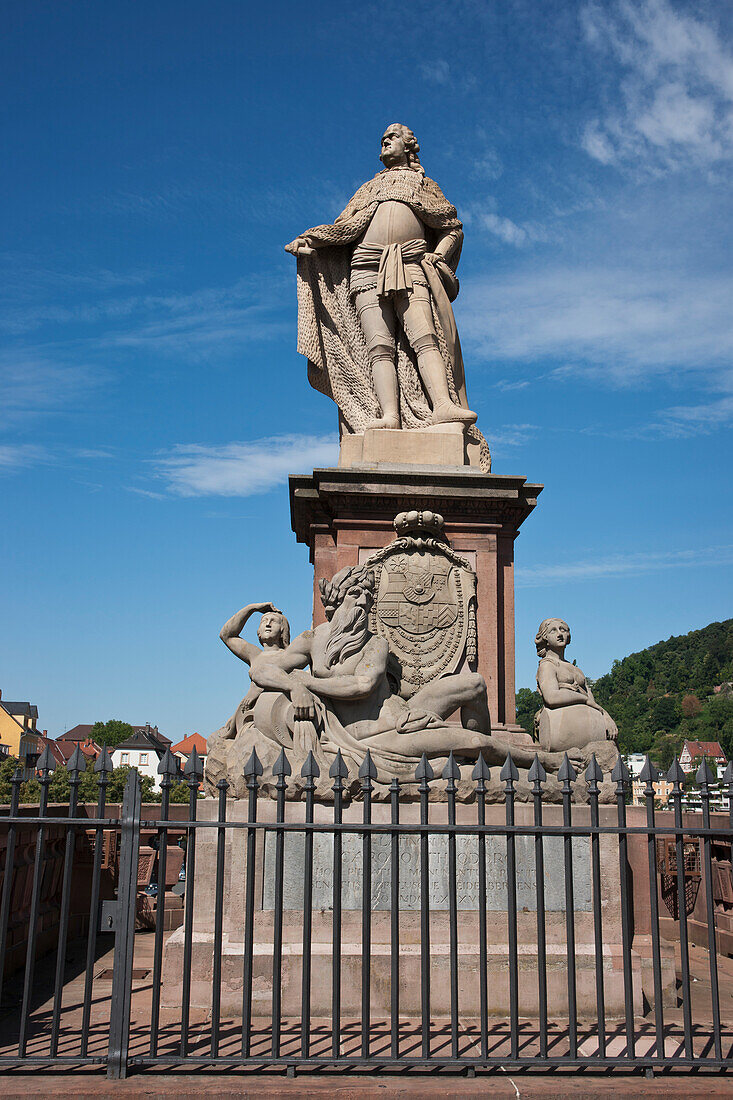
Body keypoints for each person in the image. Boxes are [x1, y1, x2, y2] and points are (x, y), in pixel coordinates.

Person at [244, 568, 582, 776]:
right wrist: (295, 686)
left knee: (475, 683)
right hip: (376, 734)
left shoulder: (375, 643)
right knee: (470, 740)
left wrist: (309, 683)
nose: (362, 602)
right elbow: (261, 669)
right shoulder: (311, 639)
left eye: (367, 596)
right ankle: (542, 763)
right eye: (354, 594)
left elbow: (363, 685)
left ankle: (475, 765)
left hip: (400, 715)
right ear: (336, 601)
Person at [286, 125, 490, 465]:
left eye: (392, 137)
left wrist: (438, 255)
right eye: (383, 137)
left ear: (409, 147)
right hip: (365, 267)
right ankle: (389, 416)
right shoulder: (368, 188)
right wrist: (313, 241)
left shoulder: (425, 186)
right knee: (378, 346)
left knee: (426, 336)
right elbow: (344, 227)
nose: (384, 140)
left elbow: (451, 227)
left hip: (410, 262)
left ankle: (442, 406)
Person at [534, 619, 618, 753]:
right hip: (561, 731)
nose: (560, 634)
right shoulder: (547, 665)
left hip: (591, 733)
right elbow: (551, 697)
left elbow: (594, 704)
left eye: (563, 630)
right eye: (553, 630)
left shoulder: (577, 670)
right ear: (545, 638)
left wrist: (605, 716)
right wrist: (583, 699)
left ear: (569, 637)